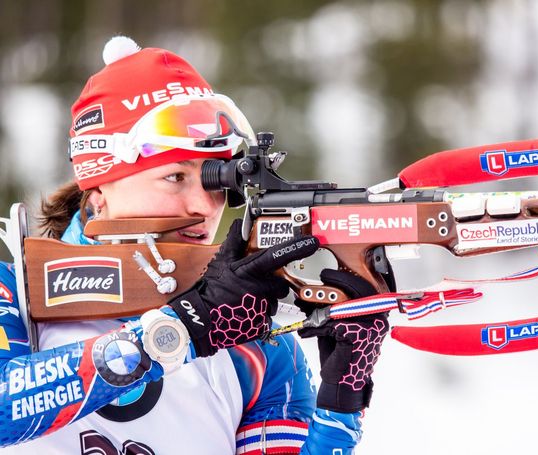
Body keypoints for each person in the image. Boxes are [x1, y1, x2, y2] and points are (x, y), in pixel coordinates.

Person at [0, 36, 388, 454]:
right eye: (175, 177)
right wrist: (180, 331)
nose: (205, 206)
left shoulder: (254, 337)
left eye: (218, 180)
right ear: (98, 194)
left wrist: (341, 405)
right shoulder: (14, 294)